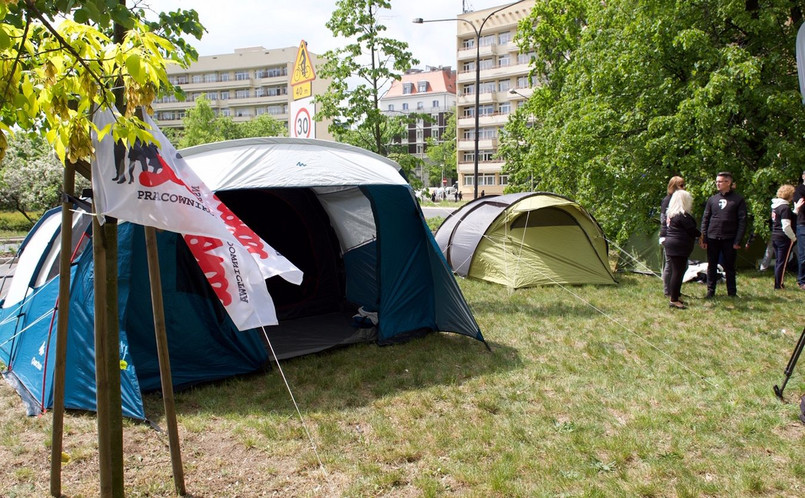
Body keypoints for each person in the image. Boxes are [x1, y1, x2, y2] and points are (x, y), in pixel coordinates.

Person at [700, 171, 747, 298]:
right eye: (716, 182)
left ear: (728, 182)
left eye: (720, 181)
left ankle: (732, 292)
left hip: (729, 238)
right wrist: (703, 237)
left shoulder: (738, 200)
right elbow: (705, 218)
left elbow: (742, 221)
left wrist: (738, 240)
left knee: (730, 266)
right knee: (712, 265)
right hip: (712, 237)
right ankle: (710, 291)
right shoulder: (712, 199)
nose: (717, 184)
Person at [665, 190, 700, 309]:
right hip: (678, 245)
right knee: (677, 272)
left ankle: (675, 295)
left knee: (678, 271)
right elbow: (692, 230)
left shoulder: (673, 215)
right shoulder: (682, 216)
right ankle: (674, 300)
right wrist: (701, 235)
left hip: (673, 244)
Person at [659, 176, 685, 297]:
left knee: (681, 265)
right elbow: (663, 219)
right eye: (681, 185)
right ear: (674, 186)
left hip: (678, 235)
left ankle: (675, 290)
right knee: (670, 264)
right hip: (668, 235)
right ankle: (667, 291)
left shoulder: (680, 199)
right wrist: (665, 234)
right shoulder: (667, 200)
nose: (684, 188)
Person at [770, 184, 797, 289]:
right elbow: (786, 226)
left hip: (775, 235)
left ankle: (778, 283)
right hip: (783, 237)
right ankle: (779, 285)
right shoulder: (785, 208)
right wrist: (793, 237)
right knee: (783, 262)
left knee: (778, 261)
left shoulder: (775, 206)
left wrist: (795, 210)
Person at [793, 170, 805, 289]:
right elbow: (801, 207)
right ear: (803, 176)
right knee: (803, 255)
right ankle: (802, 281)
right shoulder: (799, 190)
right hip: (803, 225)